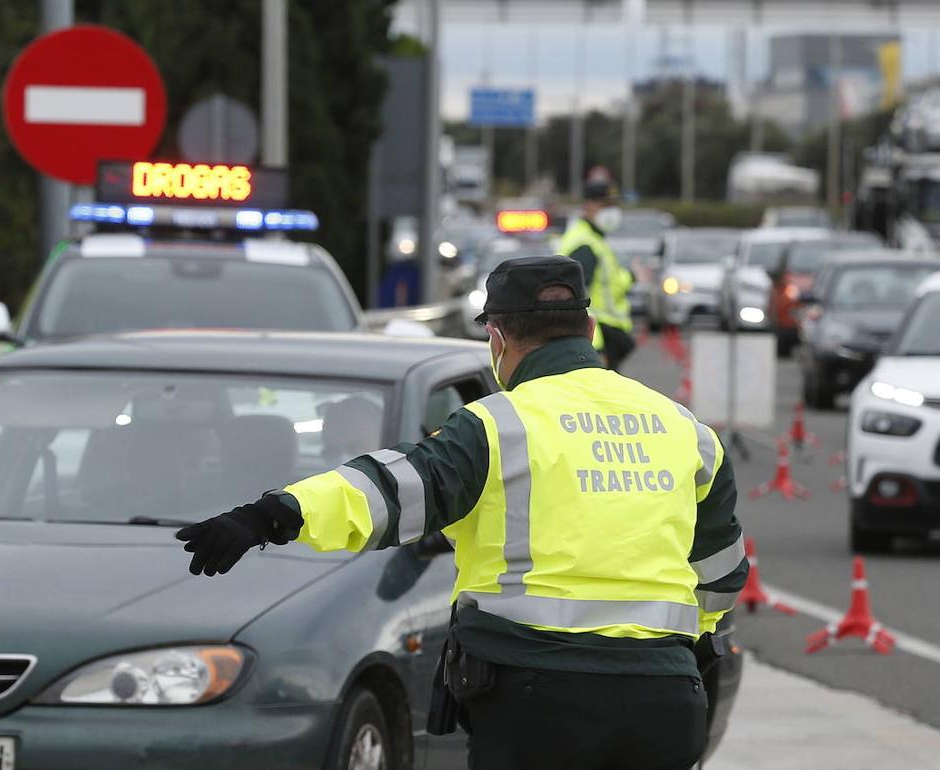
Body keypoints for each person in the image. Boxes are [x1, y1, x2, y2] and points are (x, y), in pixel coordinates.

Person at [175, 255, 747, 770]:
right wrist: (670, 652)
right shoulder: (685, 430)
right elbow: (721, 576)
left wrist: (270, 516)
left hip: (537, 703)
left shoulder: (500, 425)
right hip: (665, 701)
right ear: (591, 331)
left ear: (497, 340)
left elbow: (390, 492)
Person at [558, 179, 636, 370]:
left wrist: (633, 276)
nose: (611, 210)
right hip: (597, 340)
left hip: (604, 336)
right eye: (605, 204)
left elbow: (609, 285)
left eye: (614, 204)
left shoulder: (595, 239)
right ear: (587, 206)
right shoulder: (584, 244)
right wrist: (595, 348)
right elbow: (575, 300)